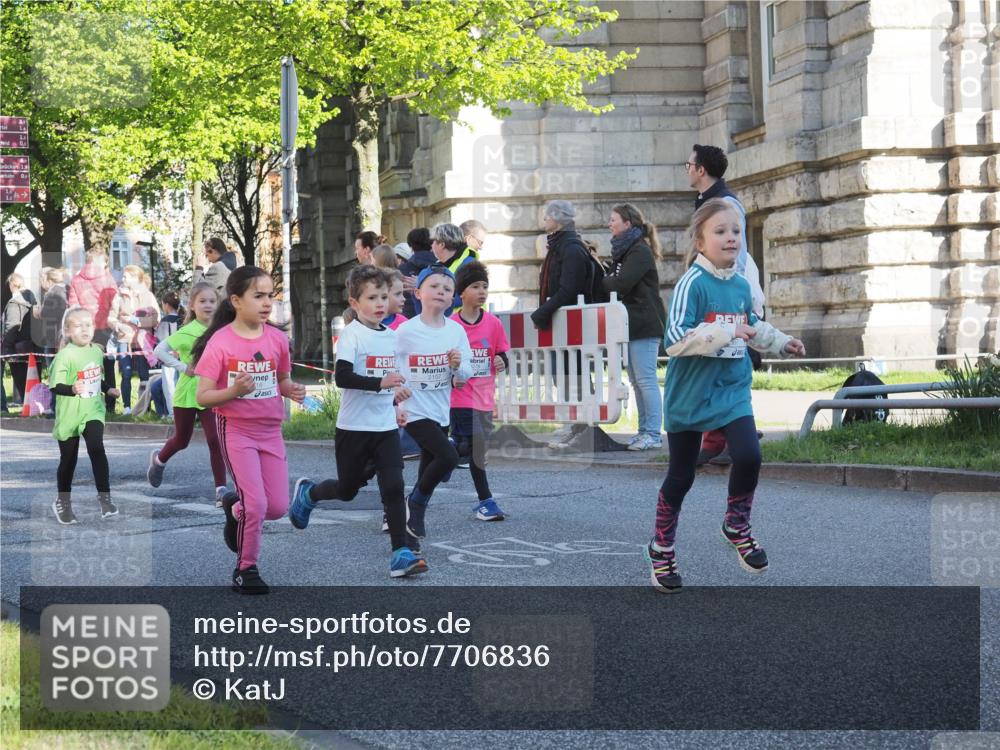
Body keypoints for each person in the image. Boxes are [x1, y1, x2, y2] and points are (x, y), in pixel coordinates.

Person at [646, 199, 805, 593]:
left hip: (732, 389)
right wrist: (726, 333)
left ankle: (737, 524)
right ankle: (661, 548)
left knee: (749, 454)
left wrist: (782, 342)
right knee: (681, 477)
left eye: (735, 230)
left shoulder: (740, 285)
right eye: (720, 231)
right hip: (691, 395)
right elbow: (675, 341)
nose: (730, 237)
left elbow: (753, 325)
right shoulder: (692, 284)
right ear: (700, 242)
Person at [288, 265, 426, 578]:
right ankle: (310, 493)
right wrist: (382, 384)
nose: (379, 303)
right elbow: (343, 378)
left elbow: (391, 379)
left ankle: (400, 553)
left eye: (383, 296)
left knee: (393, 486)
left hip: (385, 429)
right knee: (348, 489)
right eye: (371, 298)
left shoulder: (393, 338)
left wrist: (395, 400)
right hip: (353, 429)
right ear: (354, 303)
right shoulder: (352, 335)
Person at [193, 266, 306, 594]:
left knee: (276, 508)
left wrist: (291, 389)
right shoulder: (221, 342)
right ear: (236, 301)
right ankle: (246, 569)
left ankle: (235, 509)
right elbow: (203, 396)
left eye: (270, 295)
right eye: (258, 296)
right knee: (257, 504)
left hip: (271, 431)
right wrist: (232, 393)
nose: (267, 302)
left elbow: (280, 379)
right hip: (236, 430)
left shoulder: (278, 339)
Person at [685, 144, 767, 466]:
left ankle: (730, 432)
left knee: (732, 359)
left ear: (701, 169)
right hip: (713, 284)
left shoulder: (725, 202)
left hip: (728, 288)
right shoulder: (707, 200)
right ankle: (720, 433)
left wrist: (736, 292)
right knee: (715, 358)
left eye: (688, 164)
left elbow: (738, 252)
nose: (687, 170)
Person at [396, 266, 473, 547]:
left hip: (441, 409)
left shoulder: (455, 331)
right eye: (434, 286)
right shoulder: (405, 331)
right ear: (419, 293)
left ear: (453, 298)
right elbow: (390, 366)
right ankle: (414, 503)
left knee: (429, 465)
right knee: (449, 457)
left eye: (447, 288)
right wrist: (394, 394)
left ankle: (412, 524)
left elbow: (464, 376)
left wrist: (457, 367)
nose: (441, 291)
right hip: (414, 409)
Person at [148, 283, 229, 504]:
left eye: (212, 301)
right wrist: (184, 368)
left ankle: (221, 490)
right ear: (192, 306)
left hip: (212, 393)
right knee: (182, 440)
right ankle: (159, 460)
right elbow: (159, 351)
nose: (208, 305)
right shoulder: (186, 332)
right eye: (202, 301)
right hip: (188, 393)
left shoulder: (222, 330)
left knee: (215, 439)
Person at [602, 203, 666, 452]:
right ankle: (644, 431)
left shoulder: (639, 251)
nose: (610, 223)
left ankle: (653, 433)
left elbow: (620, 284)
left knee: (646, 380)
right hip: (632, 323)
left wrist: (603, 279)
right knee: (637, 381)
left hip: (645, 323)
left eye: (613, 219)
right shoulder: (626, 251)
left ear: (627, 224)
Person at [48, 307, 120, 524]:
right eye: (78, 326)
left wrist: (108, 390)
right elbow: (54, 386)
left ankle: (105, 499)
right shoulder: (65, 355)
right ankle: (63, 502)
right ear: (68, 331)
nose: (85, 329)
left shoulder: (96, 352)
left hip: (92, 410)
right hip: (69, 414)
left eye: (88, 325)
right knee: (68, 460)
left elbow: (98, 378)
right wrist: (71, 389)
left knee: (97, 447)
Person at [450, 261, 510, 521]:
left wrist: (502, 361)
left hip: (485, 397)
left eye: (485, 286)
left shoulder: (494, 324)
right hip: (460, 396)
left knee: (474, 448)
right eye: (475, 286)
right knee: (471, 446)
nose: (482, 291)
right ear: (462, 291)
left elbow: (502, 352)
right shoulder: (451, 324)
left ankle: (441, 456)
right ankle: (486, 501)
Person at [68, 251, 118, 413]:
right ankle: (110, 405)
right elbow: (115, 302)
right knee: (108, 365)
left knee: (87, 366)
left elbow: (73, 306)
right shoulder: (107, 278)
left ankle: (88, 401)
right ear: (99, 261)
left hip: (85, 328)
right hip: (105, 327)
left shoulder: (76, 279)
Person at [531, 200, 592, 331]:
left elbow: (569, 290)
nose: (545, 218)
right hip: (562, 323)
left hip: (573, 325)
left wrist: (542, 312)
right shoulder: (559, 246)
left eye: (548, 214)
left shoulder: (571, 249)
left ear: (558, 218)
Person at [109, 266, 159, 415]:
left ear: (136, 278)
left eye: (126, 277)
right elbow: (111, 317)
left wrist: (135, 320)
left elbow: (155, 319)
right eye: (123, 277)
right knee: (126, 373)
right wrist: (117, 325)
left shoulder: (147, 295)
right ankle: (126, 407)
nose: (122, 279)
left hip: (141, 340)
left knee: (144, 374)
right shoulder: (119, 295)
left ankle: (144, 408)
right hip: (124, 338)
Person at [2, 272, 38, 403]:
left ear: (12, 284)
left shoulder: (14, 303)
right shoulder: (33, 301)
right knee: (34, 381)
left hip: (17, 349)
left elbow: (12, 327)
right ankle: (36, 409)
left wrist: (6, 347)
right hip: (34, 346)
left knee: (22, 382)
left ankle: (29, 409)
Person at [427, 223, 478, 313]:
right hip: (447, 322)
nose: (431, 246)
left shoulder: (470, 264)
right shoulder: (438, 264)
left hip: (468, 323)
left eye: (433, 242)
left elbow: (467, 296)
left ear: (441, 244)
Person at [149, 291, 183, 417]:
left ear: (166, 305)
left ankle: (172, 414)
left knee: (169, 388)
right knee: (179, 386)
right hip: (181, 359)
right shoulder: (183, 320)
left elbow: (160, 343)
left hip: (168, 360)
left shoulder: (165, 321)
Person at [398, 227, 436, 318]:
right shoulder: (441, 268)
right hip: (435, 317)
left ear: (410, 246)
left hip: (408, 317)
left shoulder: (402, 270)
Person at [34, 267, 68, 361]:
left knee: (53, 366)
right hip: (67, 331)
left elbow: (45, 313)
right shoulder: (68, 288)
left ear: (49, 280)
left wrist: (36, 311)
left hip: (53, 334)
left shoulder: (51, 292)